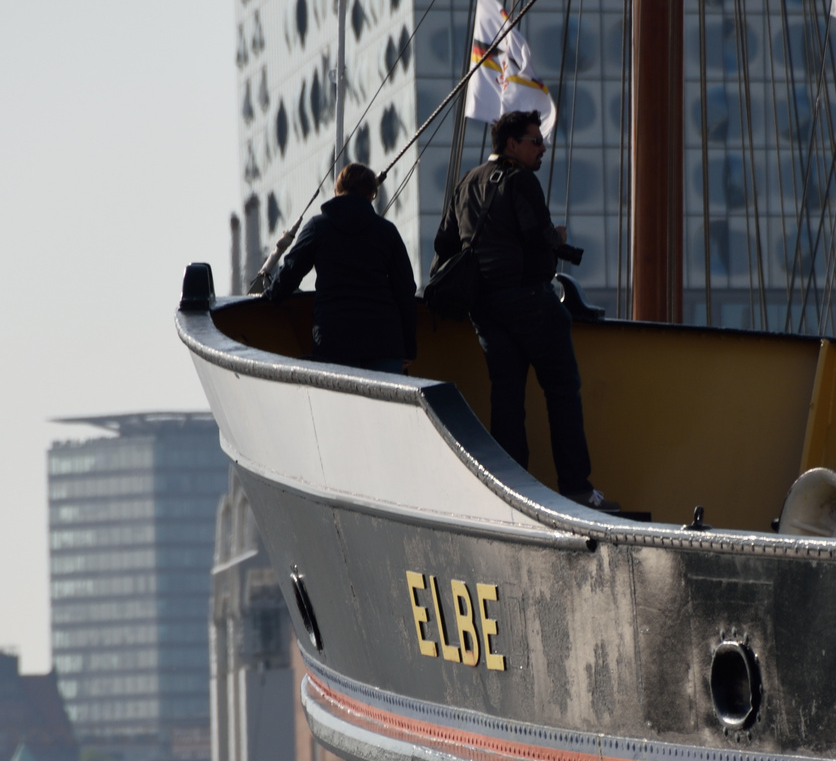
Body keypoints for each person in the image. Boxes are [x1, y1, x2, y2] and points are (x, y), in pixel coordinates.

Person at [433, 110, 617, 511]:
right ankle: (576, 488)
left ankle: (512, 493)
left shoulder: (467, 182)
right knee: (562, 390)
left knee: (507, 398)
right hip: (530, 301)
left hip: (484, 307)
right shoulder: (521, 181)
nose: (543, 148)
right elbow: (536, 235)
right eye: (536, 141)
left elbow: (444, 241)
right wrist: (557, 237)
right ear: (512, 144)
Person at [263, 163, 417, 373]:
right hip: (383, 340)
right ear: (372, 194)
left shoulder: (318, 227)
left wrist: (271, 295)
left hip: (334, 339)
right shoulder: (386, 232)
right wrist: (408, 347)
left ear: (336, 191)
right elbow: (405, 288)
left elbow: (290, 273)